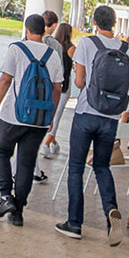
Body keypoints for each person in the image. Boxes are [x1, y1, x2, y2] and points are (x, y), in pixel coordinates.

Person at [55, 3, 129, 245]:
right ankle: (111, 214)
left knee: (76, 167)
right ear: (114, 23)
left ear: (95, 23)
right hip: (111, 118)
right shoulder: (126, 49)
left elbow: (78, 83)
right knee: (102, 167)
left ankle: (74, 224)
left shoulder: (87, 44)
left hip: (87, 113)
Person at [0, 13, 64, 225]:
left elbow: (5, 79)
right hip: (39, 119)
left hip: (13, 115)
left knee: (1, 150)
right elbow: (57, 88)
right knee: (26, 163)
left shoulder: (16, 49)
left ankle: (5, 197)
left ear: (27, 30)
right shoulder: (53, 55)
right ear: (44, 31)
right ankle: (18, 212)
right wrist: (51, 115)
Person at [39, 19, 75, 171]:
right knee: (56, 115)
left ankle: (52, 143)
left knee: (51, 112)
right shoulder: (71, 48)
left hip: (50, 84)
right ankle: (47, 143)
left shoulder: (52, 45)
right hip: (64, 85)